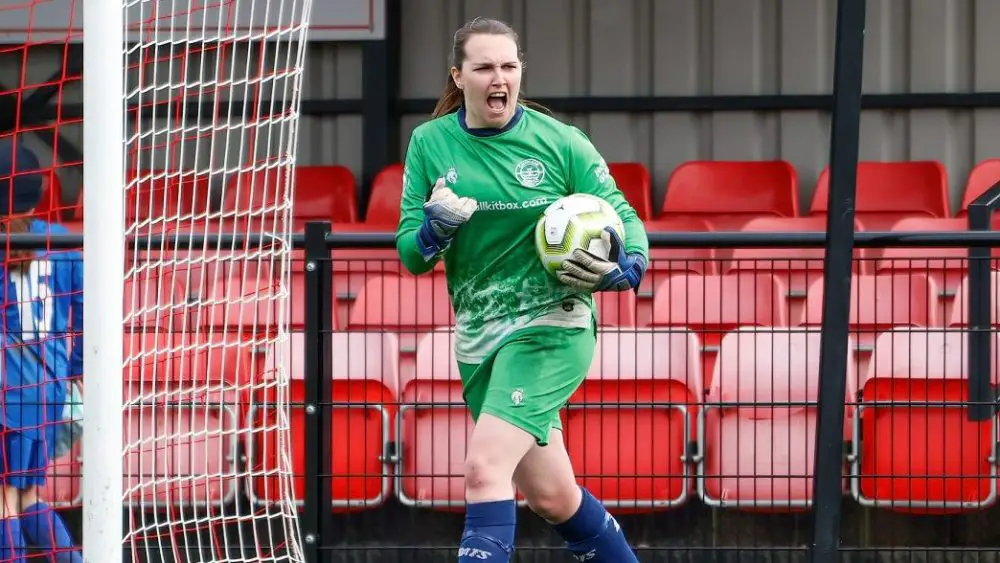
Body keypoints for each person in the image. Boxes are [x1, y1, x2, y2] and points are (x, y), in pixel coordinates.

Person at [395, 17, 648, 563]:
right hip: (480, 334)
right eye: (484, 67)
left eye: (508, 65)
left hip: (552, 325)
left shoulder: (559, 141)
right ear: (458, 77)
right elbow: (411, 256)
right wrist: (433, 229)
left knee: (485, 470)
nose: (498, 78)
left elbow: (622, 213)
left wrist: (628, 265)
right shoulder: (429, 143)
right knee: (553, 497)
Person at [0, 138, 83, 563]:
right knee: (28, 493)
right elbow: (85, 318)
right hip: (47, 390)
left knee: (3, 499)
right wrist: (74, 373)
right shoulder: (64, 240)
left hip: (5, 390)